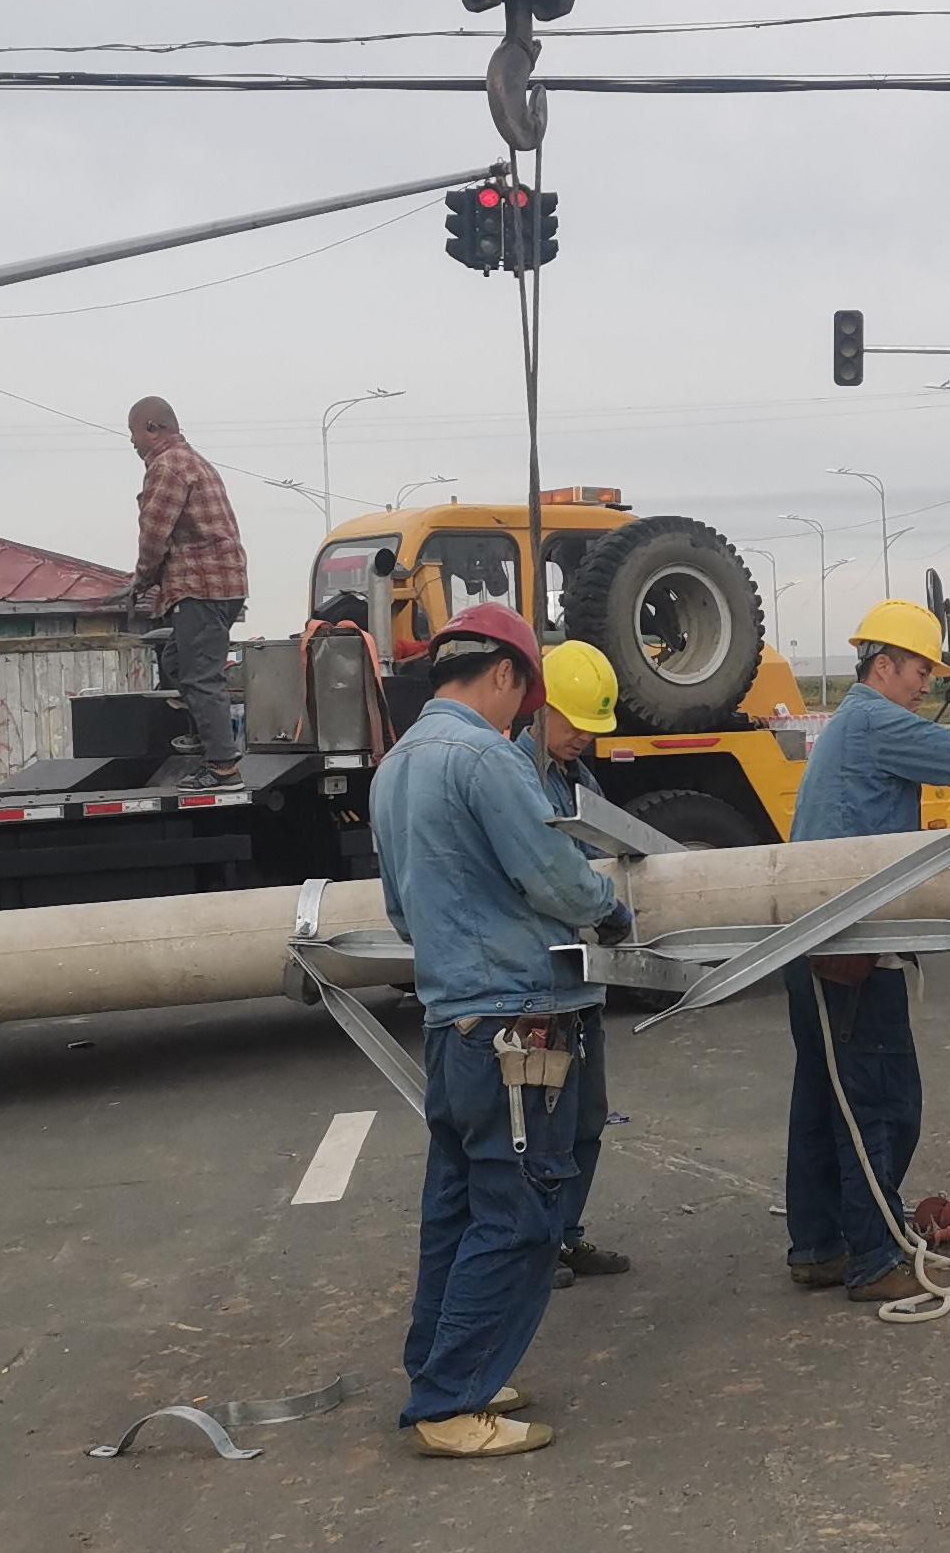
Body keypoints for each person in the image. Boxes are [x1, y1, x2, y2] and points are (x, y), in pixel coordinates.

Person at [369, 603, 630, 1457]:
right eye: (526, 695)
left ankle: (440, 1372)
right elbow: (552, 873)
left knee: (456, 1209)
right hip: (522, 1021)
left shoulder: (396, 765)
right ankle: (453, 1406)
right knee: (520, 1215)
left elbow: (402, 913)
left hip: (454, 1024)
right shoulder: (485, 758)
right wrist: (610, 909)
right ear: (509, 675)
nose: (524, 714)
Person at [784, 600, 950, 1303]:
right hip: (851, 951)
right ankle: (871, 1259)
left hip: (816, 946)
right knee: (880, 1103)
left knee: (821, 1101)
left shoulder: (851, 724)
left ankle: (819, 1247)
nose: (926, 685)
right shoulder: (873, 721)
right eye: (920, 670)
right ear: (883, 664)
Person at [527, 639, 636, 1289]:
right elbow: (551, 877)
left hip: (581, 979)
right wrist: (611, 911)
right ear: (539, 707)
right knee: (540, 1127)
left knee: (585, 1118)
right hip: (537, 985)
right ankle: (534, 1248)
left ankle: (564, 1237)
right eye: (575, 725)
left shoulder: (574, 777)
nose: (583, 741)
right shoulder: (512, 778)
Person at [125, 397, 246, 783]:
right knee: (178, 662)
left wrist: (141, 580)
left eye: (133, 433)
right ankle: (205, 737)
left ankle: (223, 765)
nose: (132, 443)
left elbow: (155, 533)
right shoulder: (194, 460)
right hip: (223, 584)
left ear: (152, 428)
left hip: (199, 586)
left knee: (200, 677)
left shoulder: (167, 466)